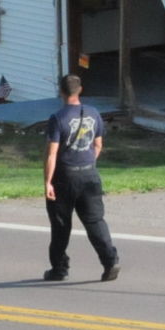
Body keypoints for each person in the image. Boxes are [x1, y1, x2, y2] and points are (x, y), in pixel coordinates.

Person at [42, 74, 120, 282]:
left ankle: (59, 269)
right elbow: (98, 145)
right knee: (95, 221)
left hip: (64, 177)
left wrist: (48, 182)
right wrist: (88, 164)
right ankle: (110, 262)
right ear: (80, 90)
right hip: (90, 174)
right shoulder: (94, 113)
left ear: (61, 92)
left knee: (61, 225)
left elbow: (51, 154)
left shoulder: (57, 118)